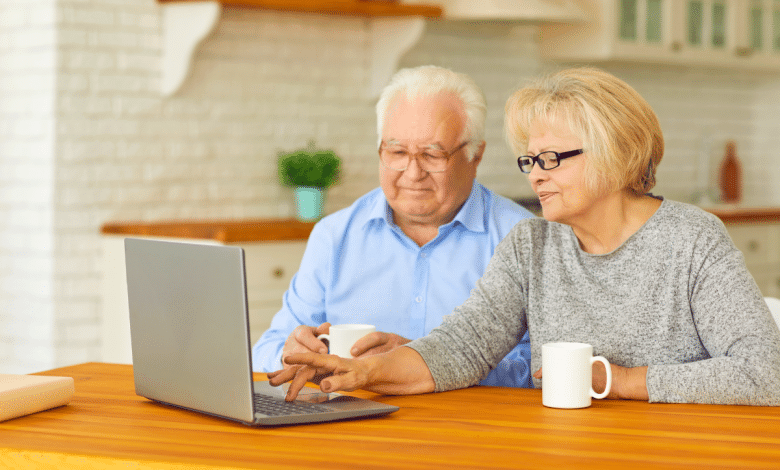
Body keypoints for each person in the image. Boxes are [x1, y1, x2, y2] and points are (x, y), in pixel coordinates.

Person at [269, 67, 780, 406]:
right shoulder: (531, 245)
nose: (536, 175)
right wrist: (362, 374)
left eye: (553, 159)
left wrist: (618, 380)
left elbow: (766, 371)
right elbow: (462, 346)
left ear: (616, 153)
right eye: (531, 160)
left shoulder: (691, 239)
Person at [252, 65, 535, 387]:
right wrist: (292, 353)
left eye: (432, 154)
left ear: (475, 156)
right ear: (380, 150)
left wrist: (423, 364)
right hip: (351, 427)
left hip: (472, 430)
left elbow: (542, 370)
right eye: (397, 152)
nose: (412, 173)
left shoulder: (523, 238)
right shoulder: (335, 236)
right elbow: (265, 351)